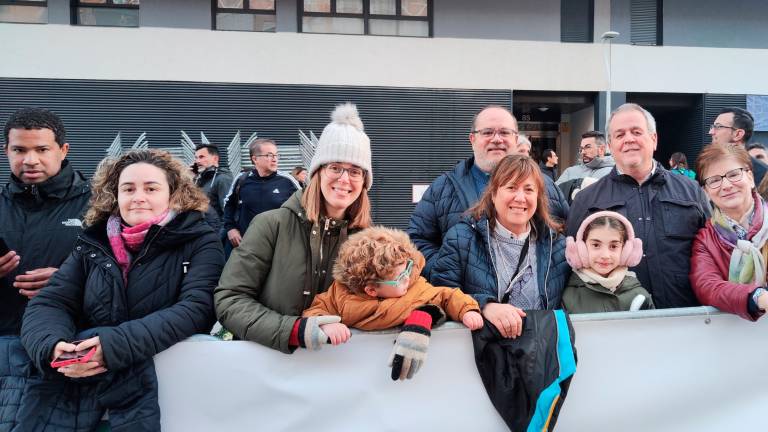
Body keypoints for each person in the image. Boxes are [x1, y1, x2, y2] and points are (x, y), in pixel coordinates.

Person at [19, 149, 224, 430]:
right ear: (115, 195)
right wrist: (52, 347)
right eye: (128, 189)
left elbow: (197, 308)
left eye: (151, 188)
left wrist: (113, 346)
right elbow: (50, 302)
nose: (138, 197)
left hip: (174, 396)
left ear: (173, 193)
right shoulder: (92, 243)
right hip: (86, 388)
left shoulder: (201, 240)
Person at [215, 102, 374, 353]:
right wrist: (295, 330)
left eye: (355, 171)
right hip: (272, 364)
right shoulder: (271, 225)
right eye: (335, 167)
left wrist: (418, 322)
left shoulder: (367, 241)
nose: (344, 179)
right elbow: (230, 300)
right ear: (317, 173)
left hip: (339, 365)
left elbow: (403, 292)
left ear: (364, 181)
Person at [567, 103, 711, 309]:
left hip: (685, 316)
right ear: (610, 146)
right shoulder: (586, 200)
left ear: (654, 139)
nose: (629, 139)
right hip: (617, 320)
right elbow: (573, 267)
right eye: (620, 135)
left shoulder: (691, 192)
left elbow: (712, 252)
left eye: (636, 132)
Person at [408, 105, 569, 277]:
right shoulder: (442, 188)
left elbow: (565, 234)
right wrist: (447, 270)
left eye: (504, 132)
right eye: (487, 132)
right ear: (472, 139)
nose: (497, 139)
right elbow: (417, 241)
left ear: (516, 139)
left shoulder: (546, 186)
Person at [302, 226, 483, 380]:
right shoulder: (340, 296)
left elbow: (447, 295)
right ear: (371, 290)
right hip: (356, 374)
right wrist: (325, 324)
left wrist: (467, 310)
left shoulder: (415, 287)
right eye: (400, 277)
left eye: (407, 269)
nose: (407, 278)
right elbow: (316, 309)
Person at [431, 155, 570, 339]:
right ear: (494, 193)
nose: (520, 198)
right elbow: (440, 295)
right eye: (511, 187)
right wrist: (484, 306)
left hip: (540, 352)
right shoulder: (461, 239)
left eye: (529, 189)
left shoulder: (557, 245)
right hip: (481, 352)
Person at [0, 107, 91, 336]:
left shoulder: (100, 205)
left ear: (63, 150)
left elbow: (131, 275)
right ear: (6, 151)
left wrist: (71, 280)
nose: (31, 160)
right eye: (19, 150)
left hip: (69, 341)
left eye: (42, 149)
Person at [690, 144, 767, 321]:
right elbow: (707, 287)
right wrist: (757, 297)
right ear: (706, 192)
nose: (726, 185)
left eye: (733, 175)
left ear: (750, 177)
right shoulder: (705, 240)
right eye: (714, 180)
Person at [562, 211, 654, 313]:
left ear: (625, 250)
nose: (605, 255)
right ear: (581, 248)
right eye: (596, 245)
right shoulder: (568, 298)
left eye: (613, 246)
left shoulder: (640, 295)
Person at [222, 138, 297, 249]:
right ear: (255, 159)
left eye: (276, 155)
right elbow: (228, 205)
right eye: (269, 155)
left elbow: (303, 208)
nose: (275, 159)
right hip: (246, 245)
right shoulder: (241, 179)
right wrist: (230, 228)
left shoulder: (288, 181)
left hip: (278, 247)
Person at [709, 107, 768, 185]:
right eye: (713, 127)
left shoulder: (762, 175)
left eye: (718, 127)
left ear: (738, 134)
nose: (711, 132)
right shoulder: (707, 166)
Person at [194, 143, 234, 232]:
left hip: (215, 233)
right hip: (202, 232)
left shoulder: (223, 179)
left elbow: (228, 212)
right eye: (196, 158)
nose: (197, 161)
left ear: (215, 159)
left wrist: (220, 236)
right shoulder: (199, 179)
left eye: (201, 157)